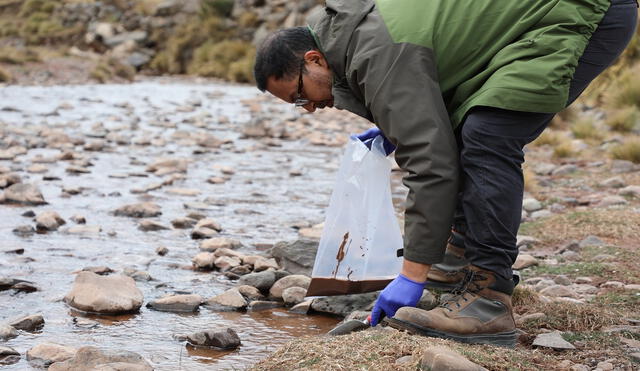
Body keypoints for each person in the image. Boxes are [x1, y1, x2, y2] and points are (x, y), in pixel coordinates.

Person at [253, 0, 638, 347]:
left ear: (314, 59)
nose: (307, 108)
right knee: (460, 128)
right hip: (546, 17)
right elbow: (430, 105)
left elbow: (430, 165)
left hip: (580, 13)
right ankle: (457, 262)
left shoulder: (373, 52)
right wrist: (394, 125)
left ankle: (488, 301)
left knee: (487, 135)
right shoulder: (350, 36)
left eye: (299, 96)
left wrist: (412, 275)